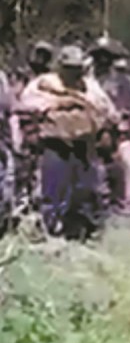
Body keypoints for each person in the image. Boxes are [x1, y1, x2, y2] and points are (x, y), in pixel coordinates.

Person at [20, 45, 118, 239]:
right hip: (56, 145)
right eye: (70, 68)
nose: (74, 72)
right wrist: (60, 103)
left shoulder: (89, 87)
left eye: (77, 68)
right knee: (54, 189)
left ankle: (85, 231)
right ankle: (52, 232)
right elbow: (27, 106)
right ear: (60, 66)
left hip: (84, 144)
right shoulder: (42, 84)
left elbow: (106, 109)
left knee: (86, 189)